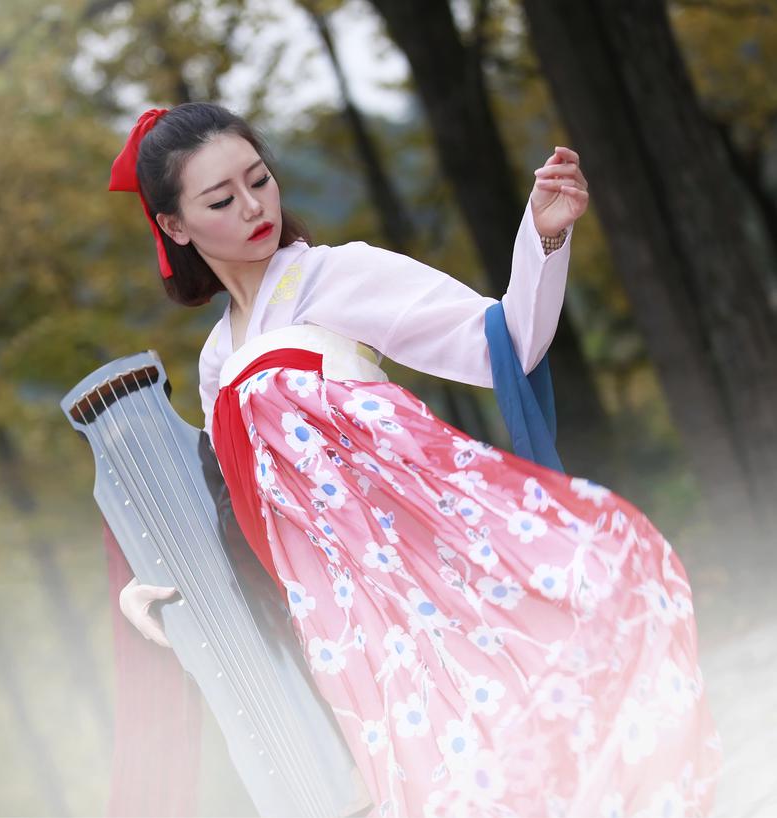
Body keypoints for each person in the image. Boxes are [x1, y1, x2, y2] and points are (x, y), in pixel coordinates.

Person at [104, 102, 721, 817]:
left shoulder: (335, 276)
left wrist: (546, 237)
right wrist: (163, 588)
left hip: (425, 569)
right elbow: (242, 519)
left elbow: (506, 340)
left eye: (260, 179)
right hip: (344, 625)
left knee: (517, 743)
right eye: (220, 199)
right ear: (175, 226)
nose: (253, 207)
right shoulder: (217, 363)